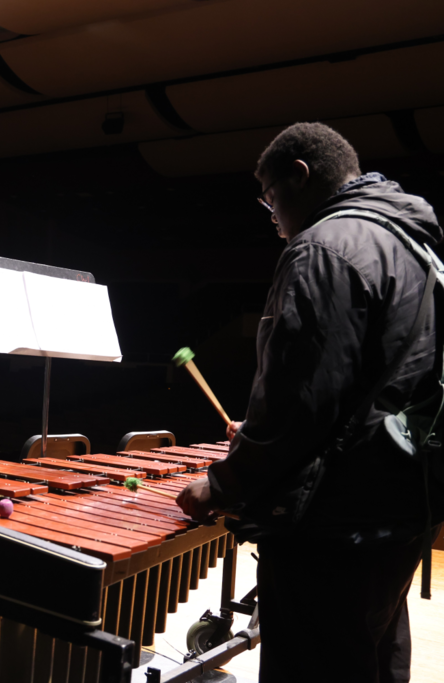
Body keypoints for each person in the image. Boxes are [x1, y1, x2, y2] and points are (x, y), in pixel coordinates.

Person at [176, 122, 442, 682]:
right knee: (373, 658)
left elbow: (300, 401)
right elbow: (376, 384)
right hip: (401, 503)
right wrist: (267, 430)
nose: (271, 216)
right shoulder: (414, 246)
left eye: (271, 198)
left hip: (336, 525)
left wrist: (224, 483)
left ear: (300, 176)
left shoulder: (323, 248)